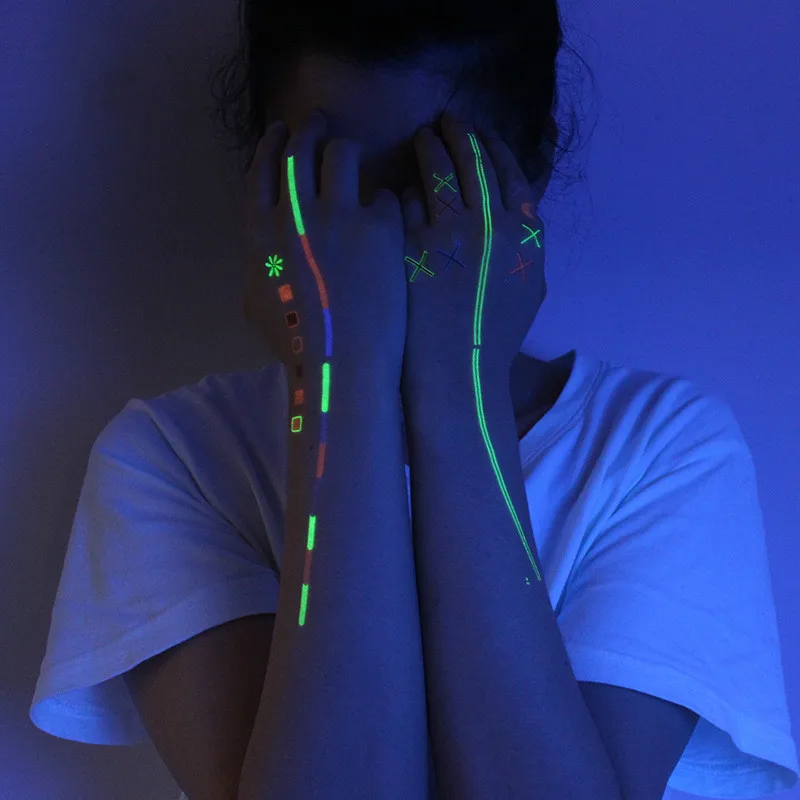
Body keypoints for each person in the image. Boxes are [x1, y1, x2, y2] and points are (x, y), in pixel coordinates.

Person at [29, 5, 798, 800]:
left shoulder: (659, 450)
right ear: (266, 179)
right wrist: (342, 376)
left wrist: (456, 381)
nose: (369, 239)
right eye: (330, 187)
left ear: (530, 169)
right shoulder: (174, 459)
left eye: (429, 190)